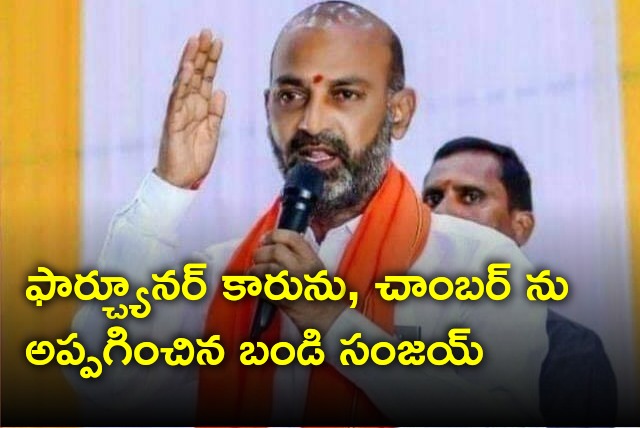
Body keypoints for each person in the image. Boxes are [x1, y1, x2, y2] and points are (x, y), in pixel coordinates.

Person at [69, 2, 548, 426]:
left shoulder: (480, 263)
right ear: (268, 108)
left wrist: (332, 321)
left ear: (399, 112)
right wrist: (168, 189)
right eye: (291, 96)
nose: (312, 122)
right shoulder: (223, 272)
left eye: (345, 94)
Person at [422, 136, 618, 426]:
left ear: (521, 227)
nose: (442, 212)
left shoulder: (571, 354)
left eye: (471, 196)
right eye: (433, 198)